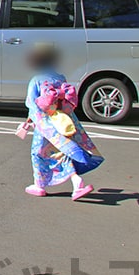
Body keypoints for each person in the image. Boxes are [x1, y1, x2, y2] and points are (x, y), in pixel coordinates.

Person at [20, 43, 103, 200]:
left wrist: (30, 120)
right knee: (63, 152)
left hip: (45, 124)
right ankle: (76, 181)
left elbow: (32, 104)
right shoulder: (60, 78)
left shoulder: (36, 80)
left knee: (37, 152)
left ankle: (39, 185)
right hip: (62, 121)